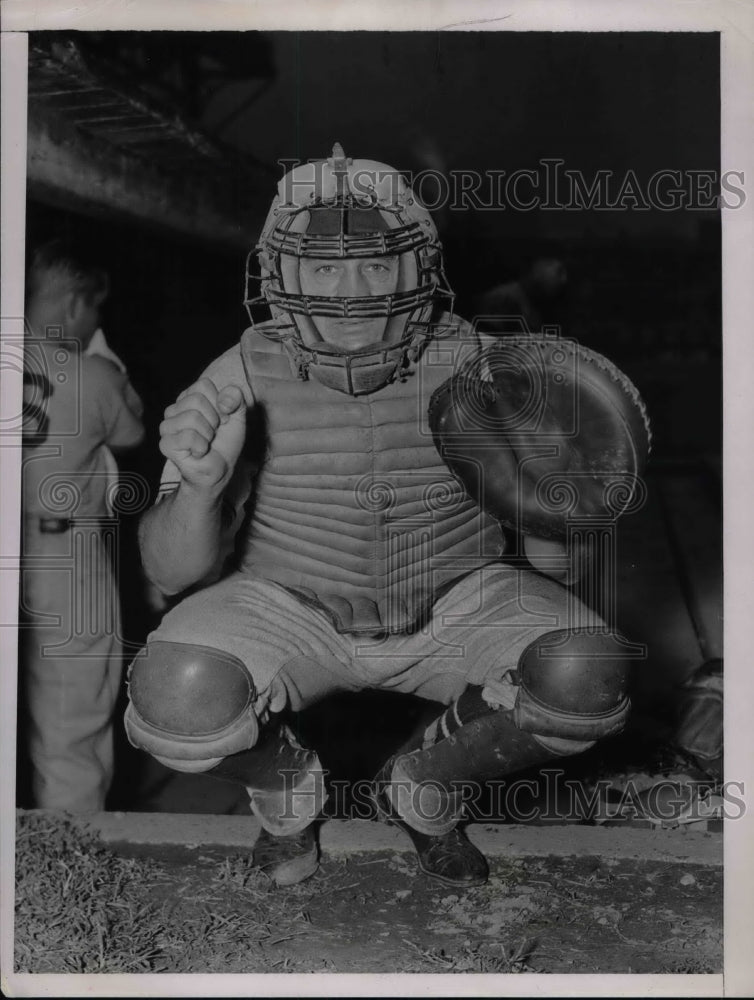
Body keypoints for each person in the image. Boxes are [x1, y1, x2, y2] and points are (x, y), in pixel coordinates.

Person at [124, 145, 636, 888]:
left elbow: (559, 570)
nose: (353, 293)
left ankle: (426, 785)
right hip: (290, 605)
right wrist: (201, 487)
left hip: (457, 597)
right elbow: (170, 573)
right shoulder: (238, 373)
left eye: (375, 263)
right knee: (174, 694)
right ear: (280, 274)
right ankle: (286, 795)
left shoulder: (488, 368)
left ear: (418, 266)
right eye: (325, 267)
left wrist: (556, 501)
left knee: (586, 670)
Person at [20, 239, 145, 812]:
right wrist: (106, 360)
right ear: (74, 305)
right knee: (73, 711)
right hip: (63, 551)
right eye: (94, 309)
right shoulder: (93, 373)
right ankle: (69, 852)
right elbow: (131, 434)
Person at [473, 247, 568, 334]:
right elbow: (484, 342)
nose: (563, 280)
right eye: (559, 271)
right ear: (538, 264)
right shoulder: (503, 298)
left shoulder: (536, 306)